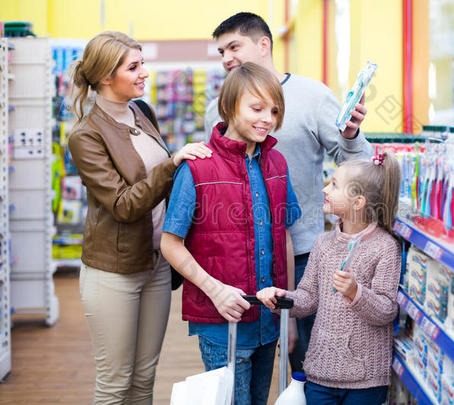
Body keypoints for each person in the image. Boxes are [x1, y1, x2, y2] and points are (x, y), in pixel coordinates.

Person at [205, 12, 374, 372]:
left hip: (302, 254)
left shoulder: (313, 96)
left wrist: (350, 136)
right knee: (246, 363)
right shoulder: (215, 110)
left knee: (307, 362)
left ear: (264, 45)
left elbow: (358, 162)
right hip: (240, 259)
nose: (226, 58)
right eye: (221, 51)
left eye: (234, 46)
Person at [68, 31, 211, 404]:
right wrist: (172, 163)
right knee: (115, 383)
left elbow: (160, 190)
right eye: (134, 67)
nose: (144, 73)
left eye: (142, 63)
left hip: (157, 266)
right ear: (104, 77)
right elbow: (123, 205)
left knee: (145, 378)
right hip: (113, 271)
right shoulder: (86, 135)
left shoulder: (142, 112)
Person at [160, 62, 302, 405]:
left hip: (269, 322)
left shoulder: (277, 164)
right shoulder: (198, 166)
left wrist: (291, 312)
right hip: (221, 323)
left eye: (274, 110)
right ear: (228, 106)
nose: (267, 118)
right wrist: (216, 291)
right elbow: (170, 243)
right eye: (256, 108)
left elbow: (282, 236)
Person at [257, 151, 402, 405]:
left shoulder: (385, 247)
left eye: (334, 185)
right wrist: (284, 298)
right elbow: (308, 299)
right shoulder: (323, 244)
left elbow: (386, 311)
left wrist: (356, 292)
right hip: (321, 373)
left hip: (365, 380)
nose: (325, 189)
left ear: (357, 203)